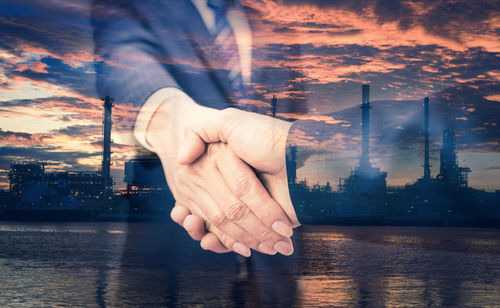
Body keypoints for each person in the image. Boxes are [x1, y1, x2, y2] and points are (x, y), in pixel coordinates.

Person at [92, 0, 304, 256]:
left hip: (280, 252)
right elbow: (123, 59)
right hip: (173, 257)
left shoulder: (278, 20)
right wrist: (174, 126)